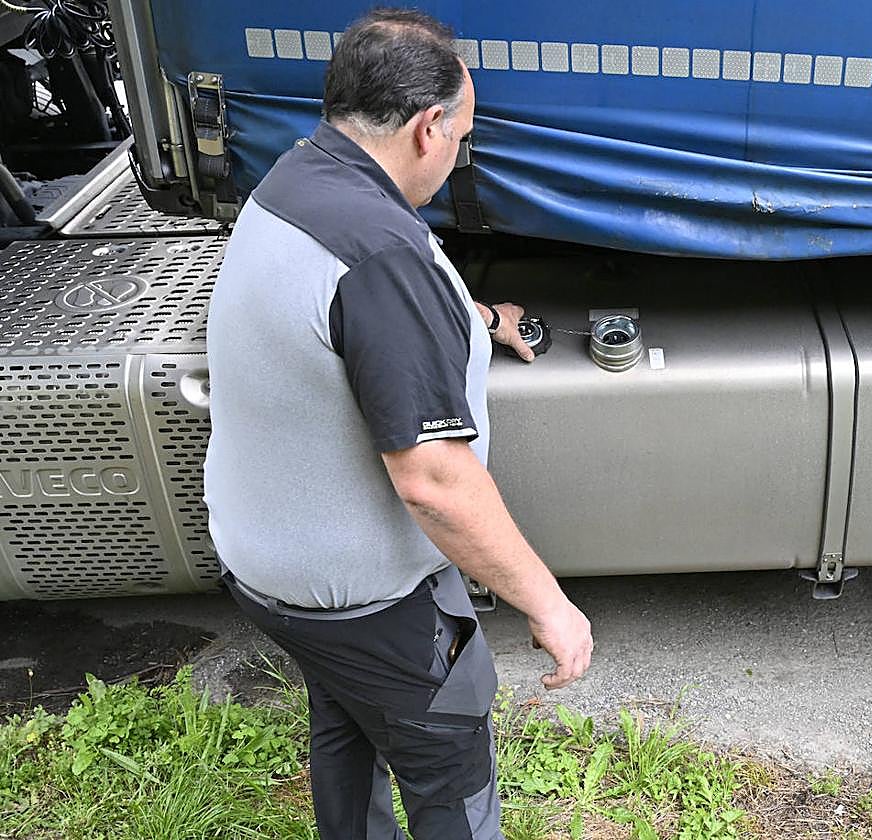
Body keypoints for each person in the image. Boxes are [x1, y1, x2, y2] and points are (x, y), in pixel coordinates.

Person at [202, 9, 593, 839]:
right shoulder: (381, 256)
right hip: (361, 603)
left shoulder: (298, 180)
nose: (457, 154)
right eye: (462, 137)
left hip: (271, 571)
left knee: (347, 718)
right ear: (427, 128)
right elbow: (436, 483)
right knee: (449, 768)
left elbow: (354, 320)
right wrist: (550, 606)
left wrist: (478, 321)